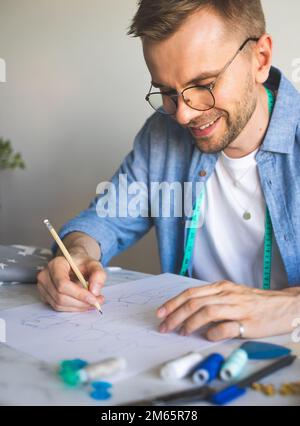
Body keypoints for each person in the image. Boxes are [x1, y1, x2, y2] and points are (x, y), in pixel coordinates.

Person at [37, 0, 300, 341]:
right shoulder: (162, 133)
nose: (183, 116)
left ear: (260, 59)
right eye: (166, 91)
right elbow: (105, 219)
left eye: (203, 84)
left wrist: (287, 305)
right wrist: (75, 254)